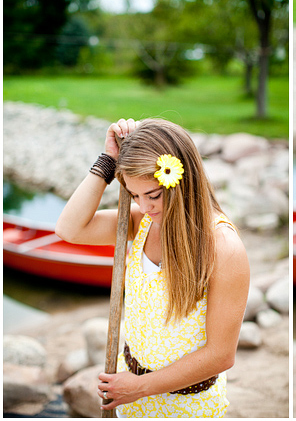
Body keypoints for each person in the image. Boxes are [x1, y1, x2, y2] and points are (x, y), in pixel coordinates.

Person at [56, 118, 250, 417]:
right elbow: (69, 228)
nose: (145, 206)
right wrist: (108, 161)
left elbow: (220, 355)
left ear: (181, 179)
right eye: (134, 195)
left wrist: (139, 387)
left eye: (154, 195)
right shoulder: (139, 223)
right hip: (130, 397)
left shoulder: (222, 247)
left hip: (187, 407)